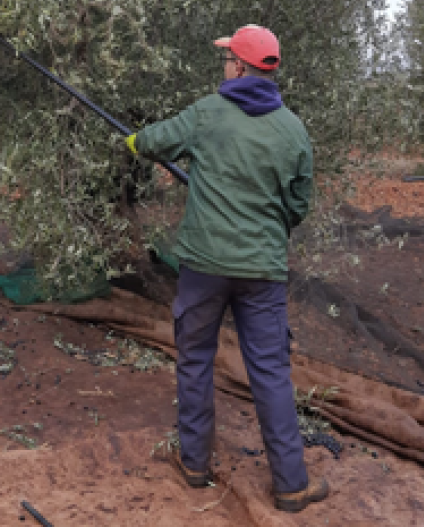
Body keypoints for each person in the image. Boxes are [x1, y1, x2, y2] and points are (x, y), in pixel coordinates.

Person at [126, 25, 328, 512]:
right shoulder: (293, 129)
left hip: (204, 267)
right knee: (271, 373)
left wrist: (132, 142)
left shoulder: (207, 113)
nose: (224, 65)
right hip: (263, 272)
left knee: (195, 360)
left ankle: (195, 465)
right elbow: (298, 204)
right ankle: (291, 485)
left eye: (227, 59)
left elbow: (154, 142)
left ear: (240, 66)